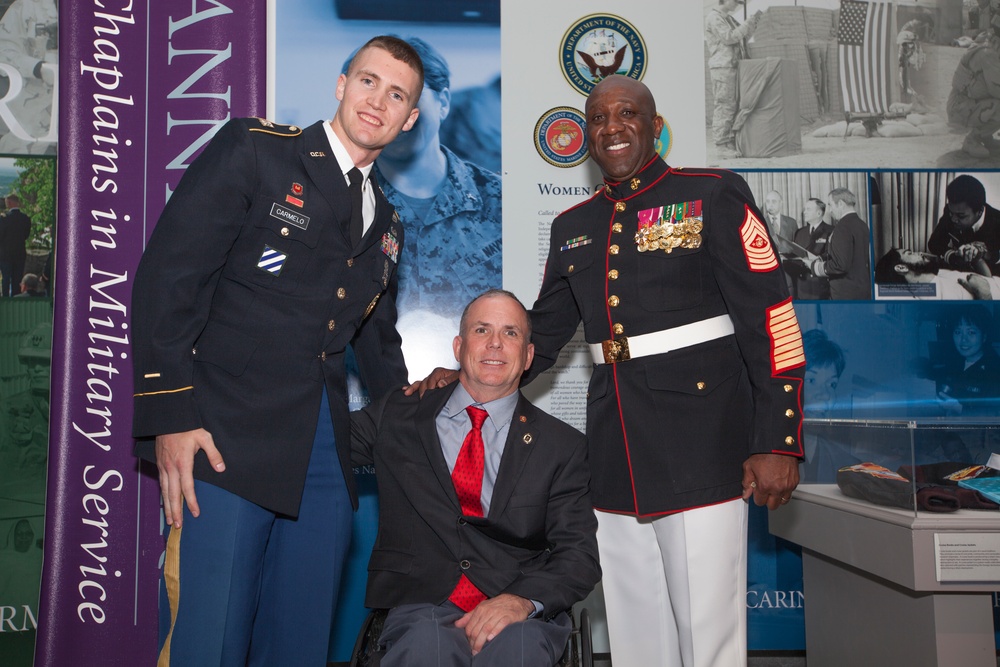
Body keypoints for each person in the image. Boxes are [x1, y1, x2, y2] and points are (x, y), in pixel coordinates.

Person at [130, 36, 424, 666]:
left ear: (411, 119)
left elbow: (379, 348)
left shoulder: (388, 222)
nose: (379, 101)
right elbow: (168, 279)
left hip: (322, 455)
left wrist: (435, 420)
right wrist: (172, 416)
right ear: (342, 84)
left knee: (299, 637)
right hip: (222, 433)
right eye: (369, 81)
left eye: (397, 94)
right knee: (209, 637)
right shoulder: (256, 152)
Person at [350, 290, 600, 666]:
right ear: (459, 345)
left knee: (518, 652)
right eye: (482, 330)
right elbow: (321, 443)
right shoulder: (399, 414)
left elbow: (578, 557)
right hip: (421, 606)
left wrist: (521, 602)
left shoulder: (561, 447)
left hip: (519, 614)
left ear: (529, 355)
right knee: (425, 649)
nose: (496, 343)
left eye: (511, 333)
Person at [367, 37, 502, 377]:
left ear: (443, 103)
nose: (395, 113)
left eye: (408, 97)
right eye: (382, 97)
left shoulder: (501, 202)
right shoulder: (336, 200)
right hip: (363, 412)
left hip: (476, 408)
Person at [705, 0, 762, 159]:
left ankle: (728, 142)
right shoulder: (714, 17)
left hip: (733, 66)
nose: (737, 4)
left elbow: (741, 38)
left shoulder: (727, 18)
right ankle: (721, 145)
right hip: (723, 67)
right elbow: (729, 38)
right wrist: (746, 24)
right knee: (724, 105)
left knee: (732, 105)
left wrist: (752, 24)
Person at [0, 0, 58, 154]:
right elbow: (3, 50)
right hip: (32, 111)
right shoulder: (25, 6)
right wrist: (37, 68)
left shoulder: (101, 12)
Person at [927, 174, 1000, 276]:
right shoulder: (951, 211)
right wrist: (954, 256)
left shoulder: (997, 220)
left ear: (979, 211)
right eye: (951, 213)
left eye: (961, 216)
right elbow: (934, 243)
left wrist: (988, 254)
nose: (953, 219)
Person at [808, 187, 872, 300]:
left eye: (831, 205)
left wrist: (814, 266)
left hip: (845, 293)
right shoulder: (862, 225)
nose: (830, 210)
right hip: (862, 290)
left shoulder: (842, 227)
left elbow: (840, 265)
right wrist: (820, 258)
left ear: (841, 204)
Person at [947, 24, 1000, 158]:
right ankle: (972, 140)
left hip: (968, 103)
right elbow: (996, 90)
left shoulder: (991, 46)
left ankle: (985, 137)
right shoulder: (988, 53)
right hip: (959, 108)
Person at [874, 247, 1000, 299]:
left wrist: (977, 259)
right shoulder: (940, 296)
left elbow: (988, 280)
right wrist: (985, 295)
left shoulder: (937, 274)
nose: (920, 253)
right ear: (901, 268)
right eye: (910, 253)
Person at [787, 198, 833, 300]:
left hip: (820, 285)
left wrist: (815, 259)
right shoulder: (800, 232)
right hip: (801, 285)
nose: (804, 212)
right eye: (805, 209)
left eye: (808, 209)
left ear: (818, 213)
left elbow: (831, 255)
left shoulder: (831, 231)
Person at [0, 194, 30, 298]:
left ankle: (5, 300)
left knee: (6, 279)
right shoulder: (25, 218)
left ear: (10, 202)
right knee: (17, 279)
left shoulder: (4, 219)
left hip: (5, 255)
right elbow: (26, 235)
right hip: (19, 254)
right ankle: (16, 298)